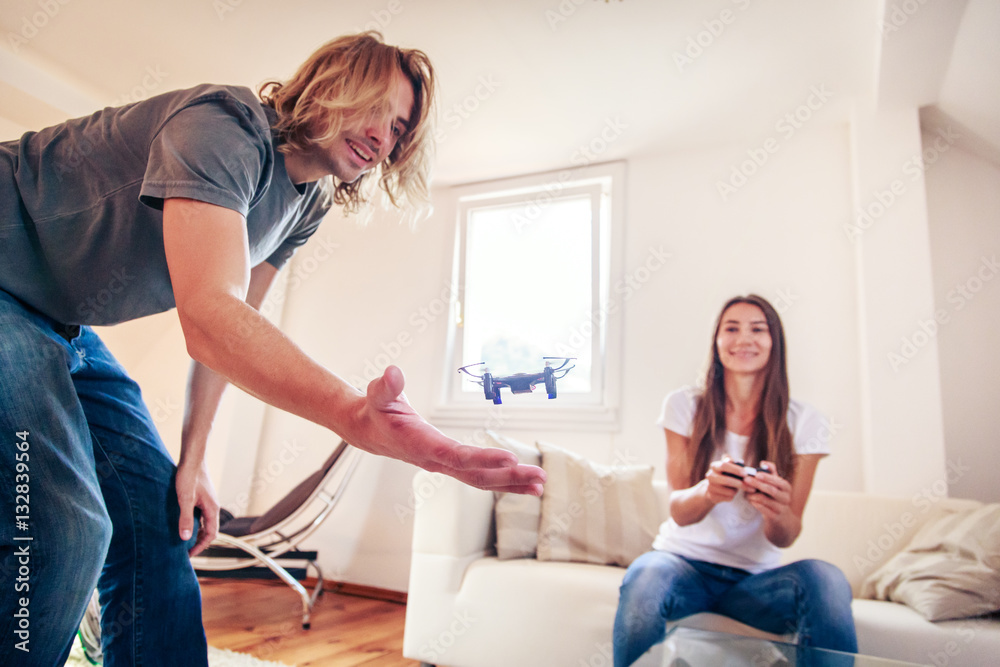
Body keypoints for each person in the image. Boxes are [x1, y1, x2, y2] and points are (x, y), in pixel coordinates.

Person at [0, 32, 544, 666]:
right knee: (64, 530)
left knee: (159, 520)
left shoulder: (306, 205)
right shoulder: (222, 125)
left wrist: (194, 460)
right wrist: (352, 415)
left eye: (398, 129)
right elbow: (208, 316)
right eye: (376, 108)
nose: (383, 138)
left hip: (59, 322)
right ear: (331, 83)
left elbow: (233, 323)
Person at [612, 295, 856, 666]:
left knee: (826, 579)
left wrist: (775, 510)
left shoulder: (805, 421)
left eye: (758, 329)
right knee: (645, 574)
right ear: (717, 342)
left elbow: (788, 533)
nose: (744, 339)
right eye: (731, 328)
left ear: (774, 343)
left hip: (756, 583)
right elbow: (679, 511)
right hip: (682, 565)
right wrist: (708, 492)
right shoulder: (684, 406)